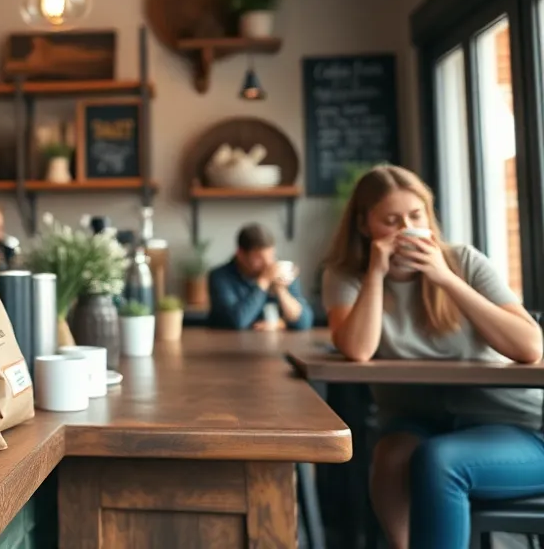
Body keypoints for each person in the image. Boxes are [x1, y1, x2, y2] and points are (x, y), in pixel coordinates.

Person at [322, 165, 544, 549]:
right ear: (365, 226)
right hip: (417, 422)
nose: (405, 228)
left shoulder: (463, 262)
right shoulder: (347, 276)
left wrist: (444, 278)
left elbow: (530, 346)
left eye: (415, 216)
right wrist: (376, 274)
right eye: (391, 221)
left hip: (516, 426)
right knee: (391, 458)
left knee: (440, 460)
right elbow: (357, 350)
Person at [207, 223, 313, 330]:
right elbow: (238, 321)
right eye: (259, 258)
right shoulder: (220, 277)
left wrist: (280, 290)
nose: (268, 264)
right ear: (240, 254)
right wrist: (263, 282)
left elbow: (304, 322)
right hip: (227, 344)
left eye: (271, 256)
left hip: (276, 344)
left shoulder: (281, 272)